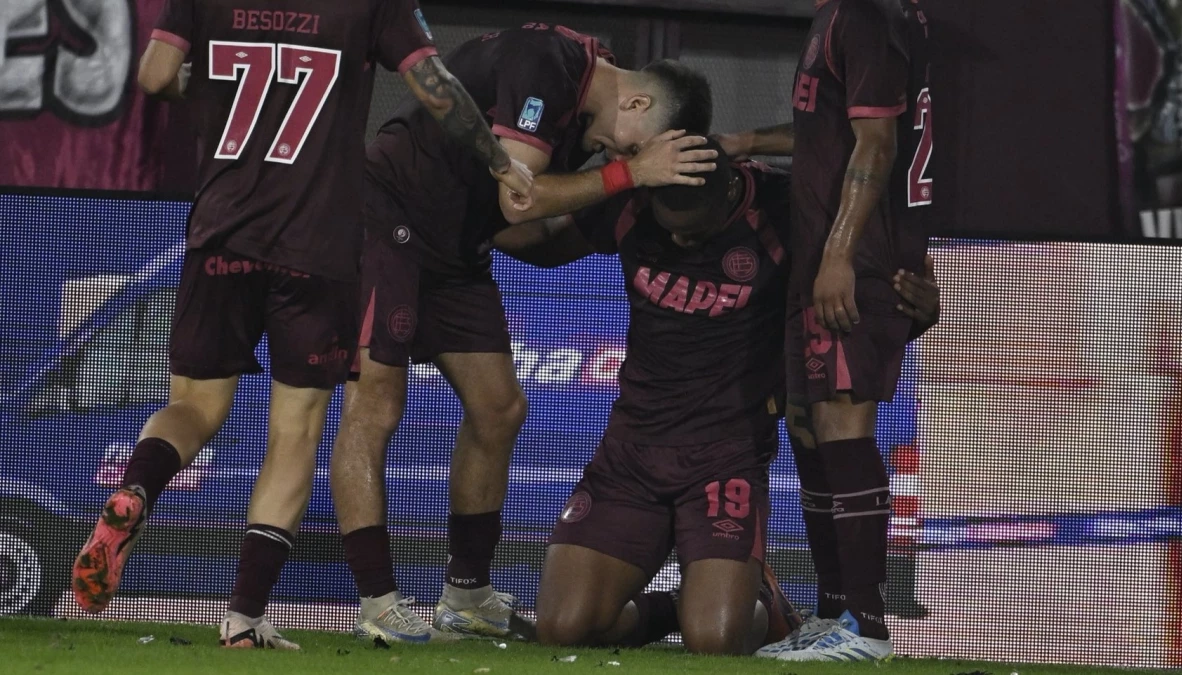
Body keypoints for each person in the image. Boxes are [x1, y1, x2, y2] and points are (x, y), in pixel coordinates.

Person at [70, 0, 532, 649]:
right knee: (294, 433)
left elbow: (154, 77)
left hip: (220, 233)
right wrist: (498, 160)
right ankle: (242, 616)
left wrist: (213, 84)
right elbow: (437, 90)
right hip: (316, 250)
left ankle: (137, 491)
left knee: (193, 406)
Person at [333, 22, 717, 644]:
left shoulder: (587, 99)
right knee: (375, 404)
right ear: (638, 103)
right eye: (637, 148)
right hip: (390, 216)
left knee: (500, 407)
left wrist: (622, 216)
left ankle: (466, 597)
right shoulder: (550, 63)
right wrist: (631, 176)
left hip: (457, 247)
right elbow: (521, 197)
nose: (625, 159)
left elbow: (528, 238)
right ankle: (377, 603)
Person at [492, 139, 939, 654]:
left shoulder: (784, 207)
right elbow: (539, 240)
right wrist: (491, 198)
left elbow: (863, 301)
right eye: (670, 225)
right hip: (630, 453)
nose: (681, 237)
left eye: (695, 228)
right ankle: (675, 607)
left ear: (731, 192)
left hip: (726, 458)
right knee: (564, 629)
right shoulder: (635, 195)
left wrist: (915, 312)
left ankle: (763, 604)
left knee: (716, 641)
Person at [718, 0, 934, 662]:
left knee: (843, 423)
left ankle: (866, 626)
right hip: (824, 251)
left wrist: (840, 252)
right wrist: (749, 143)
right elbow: (832, 132)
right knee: (810, 426)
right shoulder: (842, 16)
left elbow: (878, 143)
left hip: (855, 257)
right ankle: (835, 610)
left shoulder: (865, 16)